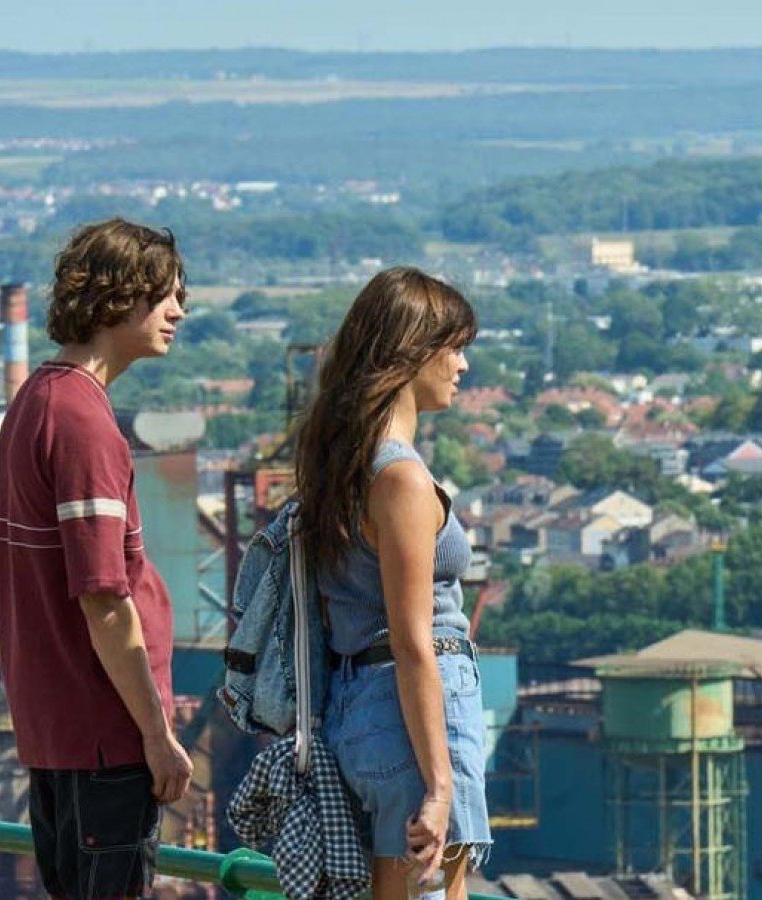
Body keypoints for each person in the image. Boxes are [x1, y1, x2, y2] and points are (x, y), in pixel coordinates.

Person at [0, 219, 192, 899]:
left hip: (57, 732)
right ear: (118, 298)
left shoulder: (37, 401)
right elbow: (104, 598)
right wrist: (156, 735)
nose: (178, 311)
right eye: (165, 294)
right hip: (104, 736)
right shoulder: (82, 423)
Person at [292, 267, 490, 899]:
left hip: (360, 709)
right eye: (454, 348)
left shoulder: (343, 462)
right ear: (411, 352)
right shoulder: (399, 478)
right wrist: (440, 785)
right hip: (415, 715)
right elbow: (413, 641)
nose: (462, 366)